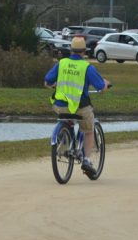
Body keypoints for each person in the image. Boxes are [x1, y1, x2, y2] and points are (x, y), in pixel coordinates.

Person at [44, 36, 110, 177]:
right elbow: (100, 86)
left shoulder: (61, 63)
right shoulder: (87, 67)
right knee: (89, 130)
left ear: (71, 50)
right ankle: (86, 160)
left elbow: (47, 80)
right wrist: (105, 84)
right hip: (80, 108)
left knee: (68, 119)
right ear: (84, 51)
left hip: (60, 106)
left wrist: (55, 85)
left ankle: (65, 145)